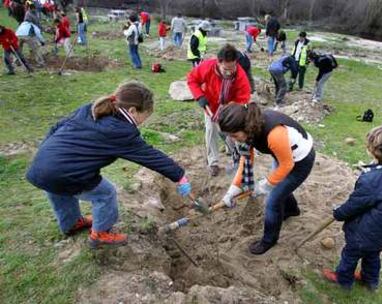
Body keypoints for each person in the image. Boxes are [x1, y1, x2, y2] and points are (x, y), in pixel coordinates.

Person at [26, 81, 192, 248]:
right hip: (64, 172)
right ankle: (100, 234)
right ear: (133, 111)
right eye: (145, 116)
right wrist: (179, 176)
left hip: (41, 165)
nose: (144, 121)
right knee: (105, 193)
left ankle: (71, 223)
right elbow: (150, 156)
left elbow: (57, 127)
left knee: (57, 188)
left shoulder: (90, 109)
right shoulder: (122, 131)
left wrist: (45, 154)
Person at [218, 103, 315, 254]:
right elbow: (245, 162)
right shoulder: (249, 130)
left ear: (245, 127)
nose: (233, 140)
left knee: (273, 199)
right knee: (281, 187)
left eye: (235, 135)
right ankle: (292, 210)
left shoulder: (274, 134)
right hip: (283, 154)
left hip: (300, 160)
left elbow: (287, 165)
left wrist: (265, 185)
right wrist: (232, 190)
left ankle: (269, 240)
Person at [323, 124, 382, 290]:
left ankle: (343, 279)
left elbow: (355, 204)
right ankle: (370, 281)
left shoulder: (371, 181)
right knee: (372, 256)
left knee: (349, 256)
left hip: (362, 235)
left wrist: (339, 213)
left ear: (373, 150)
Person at [187, 44, 251, 176]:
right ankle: (213, 163)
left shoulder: (240, 75)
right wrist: (199, 96)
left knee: (232, 133)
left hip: (230, 109)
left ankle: (236, 157)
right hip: (210, 106)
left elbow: (244, 98)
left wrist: (232, 110)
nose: (229, 71)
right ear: (218, 62)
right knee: (211, 131)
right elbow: (192, 79)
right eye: (225, 69)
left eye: (232, 67)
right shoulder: (207, 66)